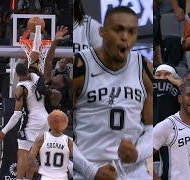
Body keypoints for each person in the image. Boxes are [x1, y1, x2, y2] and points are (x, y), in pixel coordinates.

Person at [73, 6, 153, 179]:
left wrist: (138, 153)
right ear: (101, 32)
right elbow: (62, 134)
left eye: (131, 32)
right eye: (118, 30)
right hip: (88, 168)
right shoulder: (81, 66)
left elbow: (151, 128)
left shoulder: (143, 68)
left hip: (133, 170)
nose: (125, 37)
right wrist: (91, 171)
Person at [0, 63, 50, 179]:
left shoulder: (21, 88)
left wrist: (4, 131)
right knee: (32, 155)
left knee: (22, 154)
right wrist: (36, 45)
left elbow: (17, 114)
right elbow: (35, 57)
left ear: (17, 74)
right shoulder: (36, 77)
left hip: (33, 121)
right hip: (46, 119)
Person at [27, 110, 73, 180]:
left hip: (45, 177)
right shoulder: (69, 141)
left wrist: (37, 168)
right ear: (65, 123)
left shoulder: (41, 138)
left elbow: (30, 158)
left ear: (49, 122)